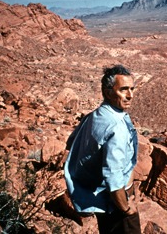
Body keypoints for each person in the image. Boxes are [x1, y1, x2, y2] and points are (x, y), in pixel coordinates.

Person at [64, 64, 141, 234]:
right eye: (124, 89)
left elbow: (72, 143)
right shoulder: (116, 127)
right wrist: (127, 209)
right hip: (116, 203)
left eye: (132, 89)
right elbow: (113, 178)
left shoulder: (95, 115)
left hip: (101, 200)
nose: (130, 95)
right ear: (108, 92)